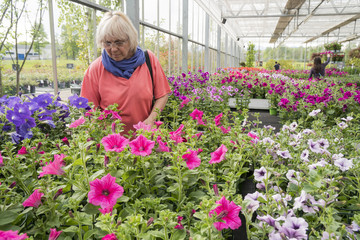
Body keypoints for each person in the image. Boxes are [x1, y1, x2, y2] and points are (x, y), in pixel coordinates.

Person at [81, 11, 171, 135]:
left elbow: (162, 95)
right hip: (111, 145)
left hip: (144, 140)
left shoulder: (148, 60)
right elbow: (89, 110)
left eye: (119, 42)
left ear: (131, 39)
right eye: (107, 43)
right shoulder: (96, 69)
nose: (113, 49)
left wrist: (151, 119)